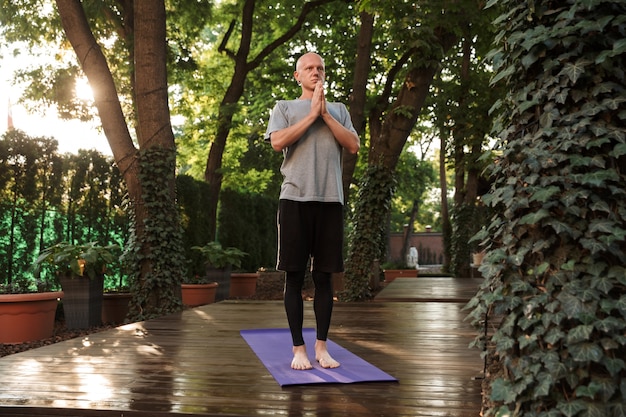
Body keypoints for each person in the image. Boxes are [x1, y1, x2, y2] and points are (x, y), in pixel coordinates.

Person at [264, 52, 360, 370]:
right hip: (294, 200)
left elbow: (353, 145)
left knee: (324, 277)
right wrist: (310, 115)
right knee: (294, 276)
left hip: (330, 200)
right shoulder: (285, 108)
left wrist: (325, 114)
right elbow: (277, 143)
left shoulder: (339, 110)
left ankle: (321, 347)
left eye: (320, 67)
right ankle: (299, 350)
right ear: (298, 76)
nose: (315, 71)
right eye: (309, 68)